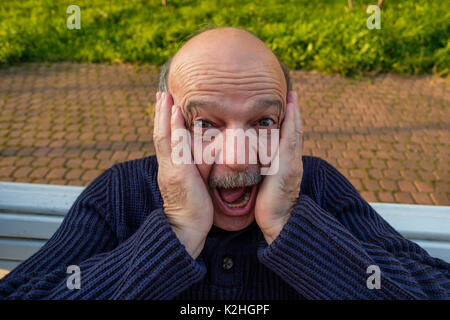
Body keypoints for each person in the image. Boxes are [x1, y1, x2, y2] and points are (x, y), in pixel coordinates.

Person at [1, 27, 448, 300]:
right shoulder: (119, 194)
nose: (238, 157)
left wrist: (290, 225)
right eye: (205, 125)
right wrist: (177, 232)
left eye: (264, 121)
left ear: (290, 122)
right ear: (166, 125)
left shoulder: (318, 187)